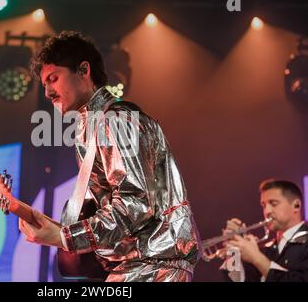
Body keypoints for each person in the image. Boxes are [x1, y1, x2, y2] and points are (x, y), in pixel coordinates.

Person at [18, 31, 201, 282]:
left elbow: (135, 203)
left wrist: (66, 237)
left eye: (53, 78)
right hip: (136, 263)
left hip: (152, 263)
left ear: (84, 70)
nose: (48, 92)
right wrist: (57, 229)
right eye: (45, 84)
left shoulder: (115, 120)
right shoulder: (92, 124)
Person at [223, 179, 308, 282]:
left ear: (296, 205)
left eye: (273, 204)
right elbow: (235, 280)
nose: (267, 211)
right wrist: (233, 250)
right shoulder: (265, 249)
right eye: (264, 206)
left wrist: (256, 257)